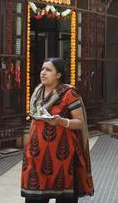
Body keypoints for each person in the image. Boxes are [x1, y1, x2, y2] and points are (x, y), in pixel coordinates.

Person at [21, 58, 94, 203]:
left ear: (59, 74)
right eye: (42, 69)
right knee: (34, 198)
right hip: (36, 155)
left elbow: (80, 123)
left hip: (63, 157)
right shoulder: (37, 92)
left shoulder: (69, 93)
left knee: (64, 197)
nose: (43, 73)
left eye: (48, 70)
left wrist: (61, 121)